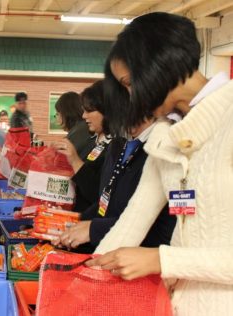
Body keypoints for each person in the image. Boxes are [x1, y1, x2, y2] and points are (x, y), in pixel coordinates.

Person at [86, 12, 233, 316]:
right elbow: (133, 219)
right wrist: (88, 280)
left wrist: (162, 260)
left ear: (157, 66)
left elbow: (162, 258)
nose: (130, 99)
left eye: (129, 84)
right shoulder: (166, 136)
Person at [55, 117, 176, 253]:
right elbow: (106, 198)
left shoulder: (164, 148)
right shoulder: (120, 144)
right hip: (110, 251)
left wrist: (94, 229)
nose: (84, 116)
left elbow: (161, 228)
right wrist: (75, 221)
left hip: (143, 258)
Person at [54, 81, 110, 213]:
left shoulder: (116, 146)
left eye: (90, 110)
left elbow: (98, 195)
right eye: (84, 110)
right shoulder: (95, 141)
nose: (84, 116)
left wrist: (75, 160)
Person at [54, 91, 93, 159]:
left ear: (66, 113)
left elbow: (61, 160)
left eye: (57, 114)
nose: (56, 118)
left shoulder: (79, 132)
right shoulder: (81, 128)